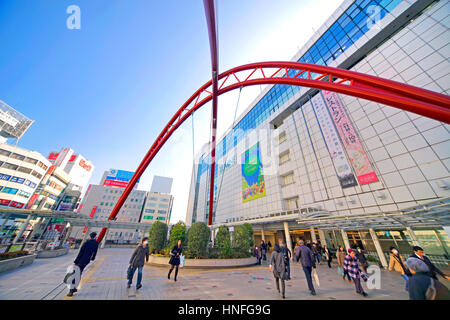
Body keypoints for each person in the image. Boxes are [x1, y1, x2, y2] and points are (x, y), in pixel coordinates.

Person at [67, 232, 99, 297]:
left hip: (81, 260)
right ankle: (74, 288)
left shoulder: (86, 242)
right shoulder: (96, 243)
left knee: (76, 273)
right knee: (79, 273)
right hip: (87, 260)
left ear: (90, 236)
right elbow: (95, 252)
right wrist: (92, 258)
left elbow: (81, 252)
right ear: (95, 237)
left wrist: (75, 261)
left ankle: (71, 290)